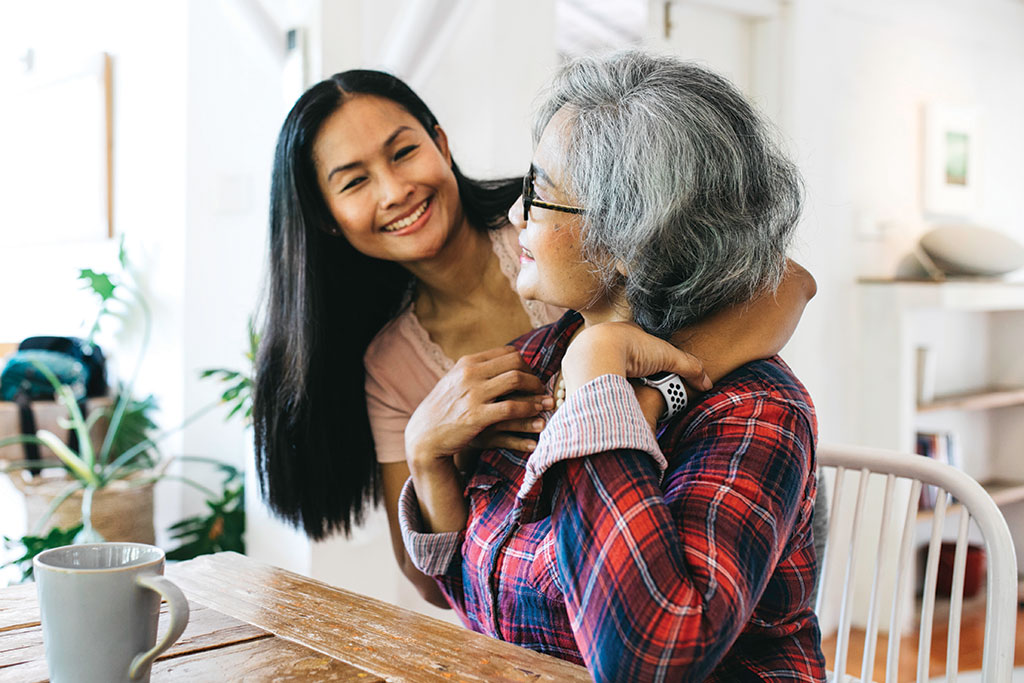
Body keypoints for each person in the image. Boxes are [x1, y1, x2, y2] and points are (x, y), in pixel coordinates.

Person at [252, 69, 817, 609]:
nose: (395, 189)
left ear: (440, 143)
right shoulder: (389, 363)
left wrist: (645, 392)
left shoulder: (552, 241)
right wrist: (426, 453)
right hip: (548, 595)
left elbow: (786, 282)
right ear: (326, 216)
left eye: (403, 152)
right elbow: (438, 586)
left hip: (713, 515)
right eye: (354, 181)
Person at [399, 50, 825, 681]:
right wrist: (428, 464)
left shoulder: (753, 413)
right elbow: (490, 607)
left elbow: (648, 659)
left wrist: (601, 382)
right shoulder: (542, 358)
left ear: (633, 238)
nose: (515, 215)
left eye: (539, 194)